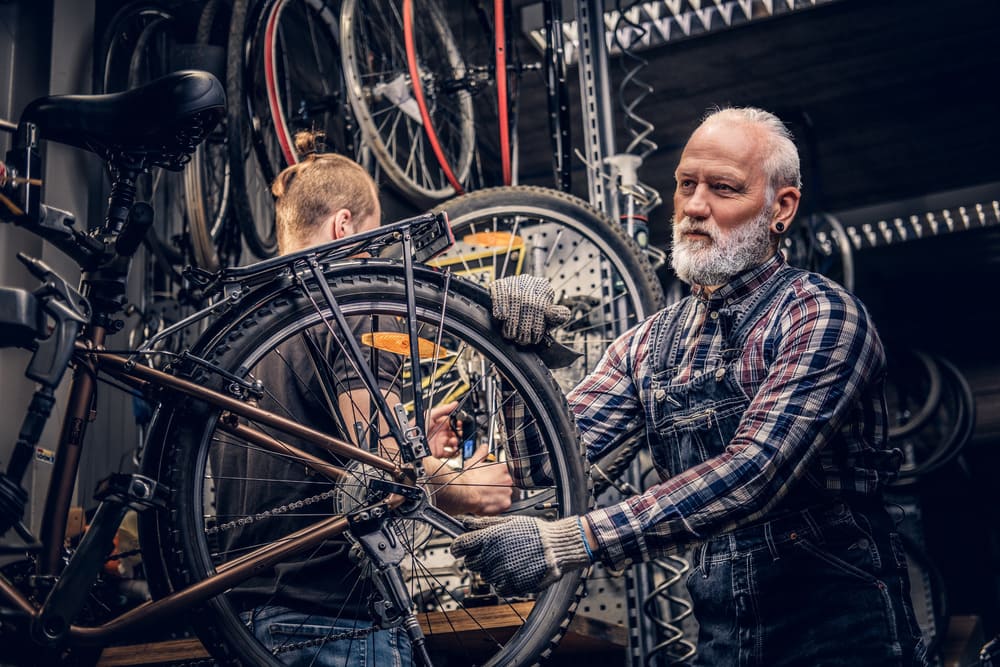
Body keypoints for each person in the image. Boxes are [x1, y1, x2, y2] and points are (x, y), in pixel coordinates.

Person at [454, 107, 928, 666]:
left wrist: (570, 541)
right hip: (724, 641)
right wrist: (514, 354)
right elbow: (543, 462)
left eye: (723, 188)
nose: (694, 207)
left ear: (782, 207)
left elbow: (754, 473)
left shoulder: (821, 316)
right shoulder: (651, 344)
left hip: (841, 638)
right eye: (685, 185)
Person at [213, 131, 513, 667]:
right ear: (344, 226)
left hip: (247, 621)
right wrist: (468, 488)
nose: (375, 255)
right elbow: (379, 474)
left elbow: (325, 451)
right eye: (374, 239)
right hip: (334, 626)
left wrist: (412, 432)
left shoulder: (248, 333)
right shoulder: (357, 308)